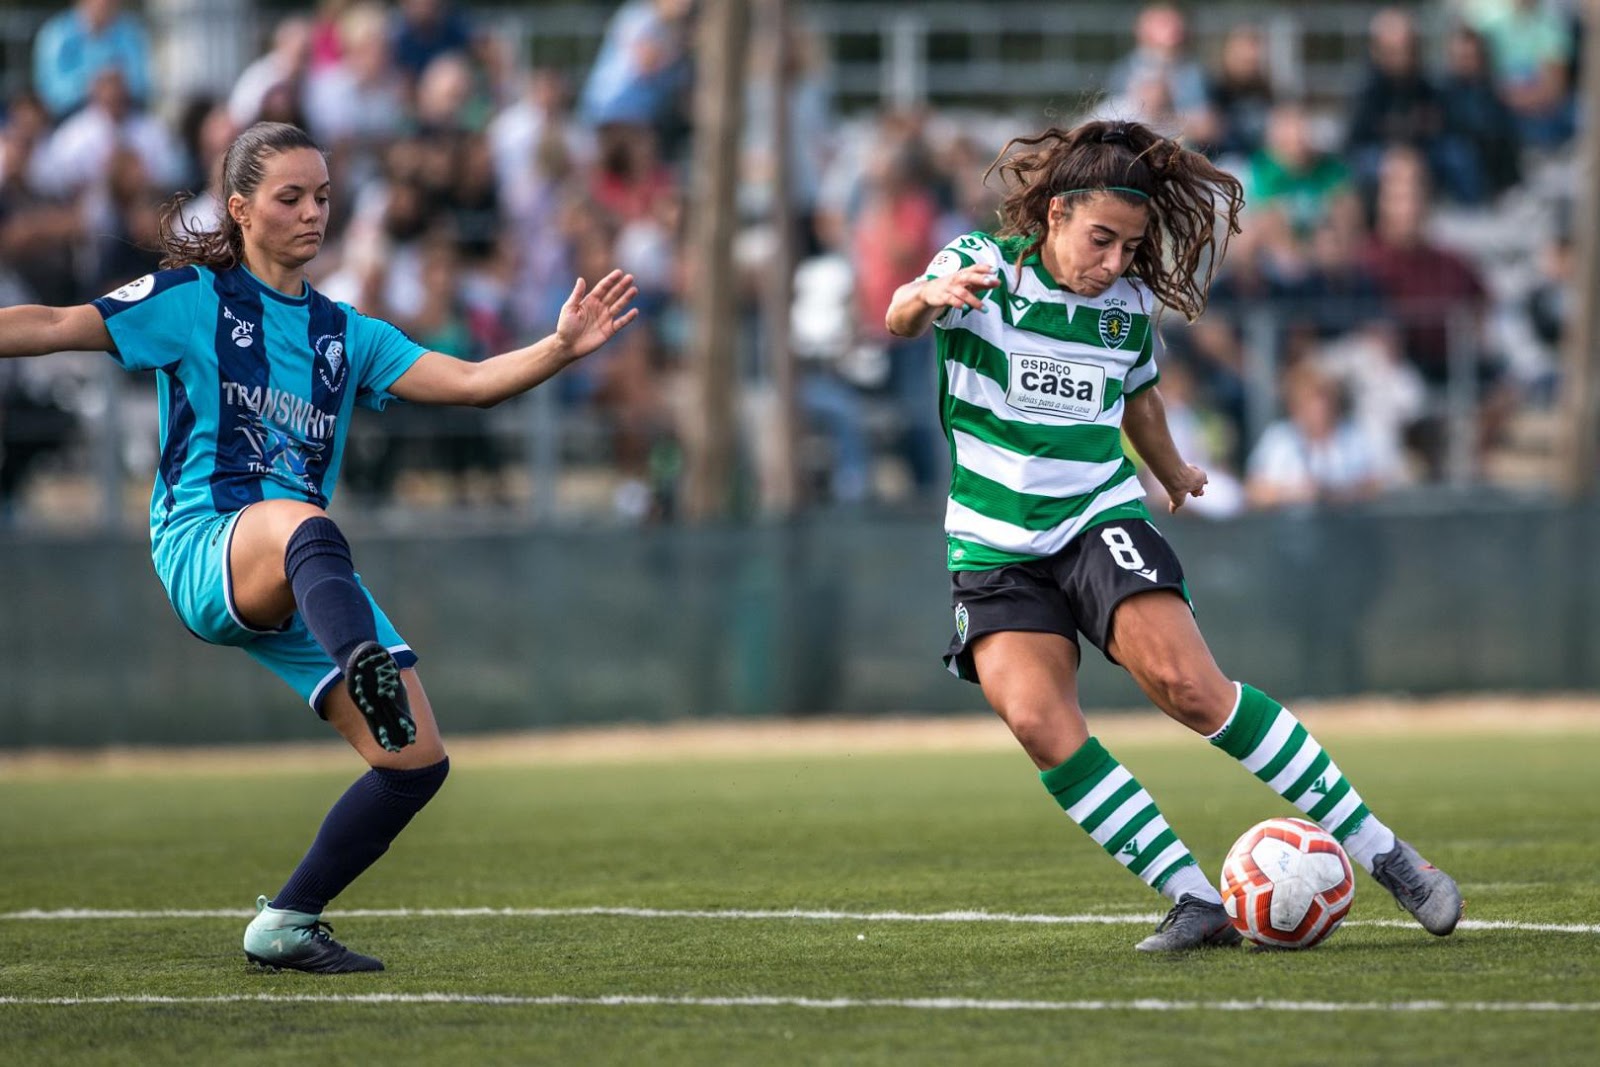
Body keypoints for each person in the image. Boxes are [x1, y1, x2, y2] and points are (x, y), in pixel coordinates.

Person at [0, 122, 638, 973]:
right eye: (290, 197)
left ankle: (287, 920)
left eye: (324, 197)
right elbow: (51, 322)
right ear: (240, 209)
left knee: (416, 762)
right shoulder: (192, 298)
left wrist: (560, 347)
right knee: (305, 523)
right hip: (206, 546)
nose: (312, 213)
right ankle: (362, 658)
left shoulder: (346, 334)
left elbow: (475, 384)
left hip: (303, 571)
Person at [883, 118, 1462, 951]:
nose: (1117, 261)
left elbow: (1139, 396)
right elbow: (901, 315)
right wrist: (925, 298)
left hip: (1096, 519)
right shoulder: (979, 267)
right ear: (1053, 215)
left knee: (1192, 689)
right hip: (993, 547)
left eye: (1130, 246)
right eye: (1102, 240)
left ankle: (1391, 857)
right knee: (1040, 721)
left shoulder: (1122, 310)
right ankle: (1197, 899)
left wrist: (1172, 466)